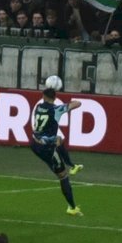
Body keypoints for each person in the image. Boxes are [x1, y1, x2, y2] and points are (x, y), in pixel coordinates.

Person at [30, 86, 84, 216]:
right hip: (46, 148)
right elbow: (78, 104)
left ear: (43, 96)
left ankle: (72, 165)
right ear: (55, 98)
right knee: (63, 176)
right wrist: (69, 104)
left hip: (34, 143)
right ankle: (72, 208)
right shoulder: (56, 109)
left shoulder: (38, 107)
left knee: (59, 139)